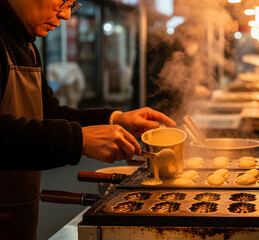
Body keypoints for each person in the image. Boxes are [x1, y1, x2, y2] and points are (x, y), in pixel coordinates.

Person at [0, 1, 176, 239]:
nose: (64, 14)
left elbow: (51, 114)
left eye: (72, 4)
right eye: (61, 1)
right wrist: (78, 140)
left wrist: (116, 119)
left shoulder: (26, 46)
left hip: (17, 214)